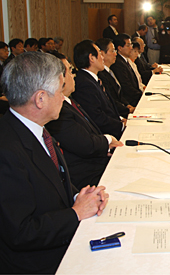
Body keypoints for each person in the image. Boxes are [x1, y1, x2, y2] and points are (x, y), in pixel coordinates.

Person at [0, 51, 108, 273]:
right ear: (40, 99)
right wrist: (75, 213)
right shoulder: (3, 153)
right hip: (31, 263)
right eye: (58, 92)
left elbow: (52, 180)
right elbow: (20, 232)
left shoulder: (32, 129)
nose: (62, 99)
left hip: (53, 240)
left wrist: (80, 196)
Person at [46, 52, 123, 189]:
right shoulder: (58, 111)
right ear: (59, 80)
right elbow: (84, 144)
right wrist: (107, 141)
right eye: (70, 71)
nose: (73, 75)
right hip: (86, 175)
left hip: (96, 160)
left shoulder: (69, 101)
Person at [71, 40, 125, 139]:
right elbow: (97, 117)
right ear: (91, 58)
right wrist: (121, 126)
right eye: (100, 54)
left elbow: (108, 107)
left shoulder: (92, 79)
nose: (103, 57)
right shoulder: (84, 84)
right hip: (108, 136)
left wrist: (121, 120)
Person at [95, 38, 135, 118]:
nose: (115, 54)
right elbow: (111, 99)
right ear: (102, 54)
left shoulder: (110, 71)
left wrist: (127, 105)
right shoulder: (101, 75)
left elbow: (119, 92)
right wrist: (127, 109)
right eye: (112, 51)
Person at [110, 34, 143, 106]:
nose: (131, 48)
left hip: (135, 96)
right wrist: (142, 95)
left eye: (131, 45)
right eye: (128, 45)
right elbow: (126, 87)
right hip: (130, 101)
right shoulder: (118, 63)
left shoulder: (124, 60)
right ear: (120, 48)